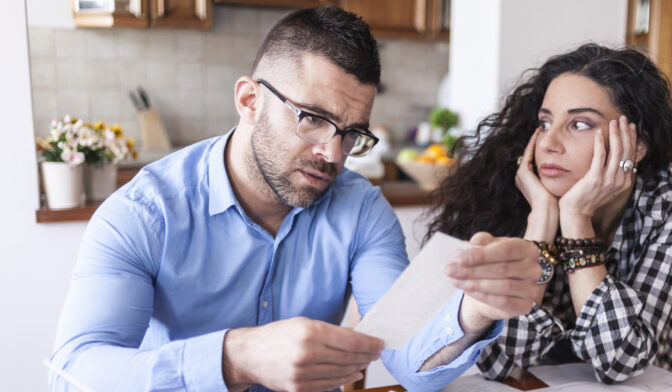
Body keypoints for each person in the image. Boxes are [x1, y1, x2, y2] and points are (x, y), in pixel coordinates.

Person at [49, 7, 544, 392]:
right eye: (311, 117)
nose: (332, 153)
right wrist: (233, 357)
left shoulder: (361, 209)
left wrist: (474, 313)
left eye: (352, 134)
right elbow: (73, 373)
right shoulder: (144, 213)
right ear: (249, 101)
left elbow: (409, 363)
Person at [431, 44, 672, 384]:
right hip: (541, 380)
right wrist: (541, 220)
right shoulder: (510, 191)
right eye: (545, 122)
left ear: (635, 145)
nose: (549, 143)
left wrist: (576, 218)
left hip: (644, 381)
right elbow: (499, 362)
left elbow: (620, 360)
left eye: (579, 124)